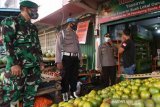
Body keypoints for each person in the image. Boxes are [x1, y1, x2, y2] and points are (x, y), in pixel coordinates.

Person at [1, 1, 45, 107]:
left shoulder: (33, 27)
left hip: (33, 69)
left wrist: (40, 62)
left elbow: (37, 47)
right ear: (25, 8)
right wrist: (13, 64)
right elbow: (7, 43)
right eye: (34, 9)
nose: (36, 12)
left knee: (30, 96)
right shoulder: (11, 21)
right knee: (13, 97)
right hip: (18, 68)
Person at [55, 18, 83, 101]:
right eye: (74, 23)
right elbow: (58, 47)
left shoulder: (75, 34)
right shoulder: (62, 33)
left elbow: (78, 47)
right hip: (66, 58)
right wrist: (58, 61)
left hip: (75, 58)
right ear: (70, 23)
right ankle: (65, 94)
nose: (76, 25)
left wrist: (80, 58)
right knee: (65, 77)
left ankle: (73, 93)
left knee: (74, 76)